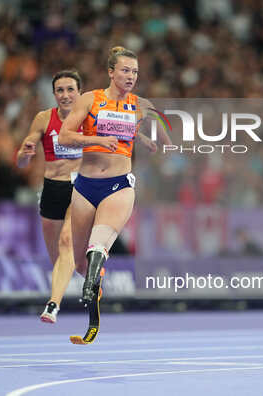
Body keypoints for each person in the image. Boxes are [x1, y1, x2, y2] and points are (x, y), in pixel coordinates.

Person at [59, 46, 171, 309]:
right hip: (85, 186)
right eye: (125, 70)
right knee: (80, 263)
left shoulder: (140, 105)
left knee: (98, 244)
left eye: (135, 72)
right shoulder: (89, 100)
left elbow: (165, 129)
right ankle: (94, 277)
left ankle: (91, 284)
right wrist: (97, 139)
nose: (130, 76)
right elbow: (65, 137)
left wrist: (148, 136)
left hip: (118, 186)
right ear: (111, 72)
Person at [16, 70, 84, 323]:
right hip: (52, 188)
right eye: (60, 90)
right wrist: (25, 153)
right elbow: (22, 162)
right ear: (54, 94)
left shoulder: (90, 119)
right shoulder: (44, 118)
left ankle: (52, 305)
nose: (65, 95)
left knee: (67, 242)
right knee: (57, 257)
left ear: (79, 92)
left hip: (80, 188)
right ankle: (87, 273)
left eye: (70, 90)